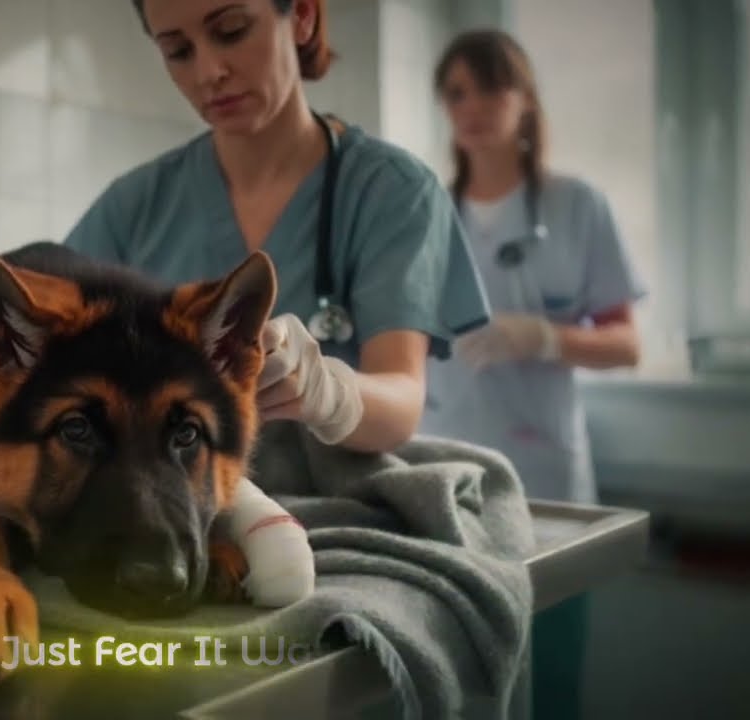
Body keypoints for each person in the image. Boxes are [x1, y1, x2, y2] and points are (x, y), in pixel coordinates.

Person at [64, 0, 490, 455]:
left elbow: (401, 402)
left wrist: (329, 393)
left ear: (302, 16)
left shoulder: (391, 190)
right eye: (178, 51)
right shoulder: (133, 207)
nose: (209, 72)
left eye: (231, 30)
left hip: (333, 495)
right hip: (174, 492)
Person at [421, 29, 647, 720]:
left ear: (525, 99)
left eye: (491, 87)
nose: (473, 107)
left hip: (543, 475)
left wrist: (545, 337)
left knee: (551, 670)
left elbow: (626, 345)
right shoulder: (427, 216)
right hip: (446, 476)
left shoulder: (578, 207)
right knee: (449, 672)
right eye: (457, 92)